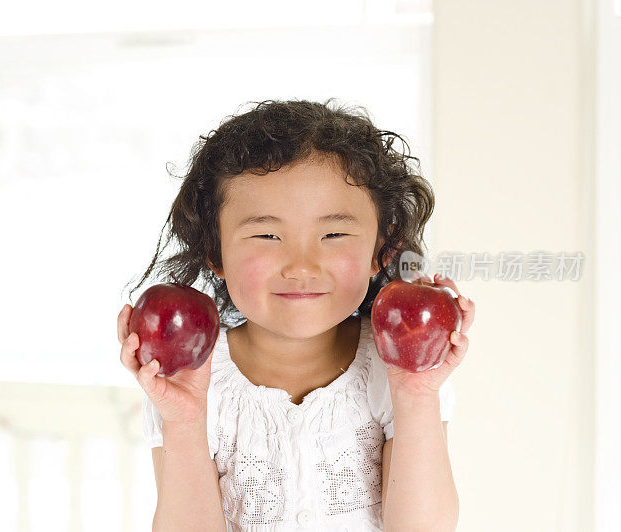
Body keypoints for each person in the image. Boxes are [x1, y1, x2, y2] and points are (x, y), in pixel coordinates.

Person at [116, 99, 475, 531]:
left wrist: (416, 393)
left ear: (383, 249)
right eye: (267, 234)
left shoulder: (396, 370)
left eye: (334, 233)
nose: (301, 266)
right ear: (216, 252)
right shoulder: (191, 381)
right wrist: (183, 418)